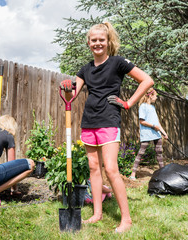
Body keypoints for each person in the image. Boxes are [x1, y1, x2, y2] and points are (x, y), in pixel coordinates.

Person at [60, 22, 154, 233]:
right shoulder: (85, 69)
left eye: (101, 39)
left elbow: (147, 80)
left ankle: (126, 220)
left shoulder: (118, 63)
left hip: (109, 119)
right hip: (89, 121)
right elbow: (72, 96)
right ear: (88, 43)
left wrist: (128, 103)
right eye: (93, 40)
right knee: (94, 168)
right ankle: (97, 213)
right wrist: (67, 88)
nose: (97, 43)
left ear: (108, 41)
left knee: (111, 169)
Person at [128, 88, 168, 180]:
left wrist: (164, 133)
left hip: (156, 134)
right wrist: (153, 126)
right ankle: (133, 174)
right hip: (147, 133)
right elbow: (142, 121)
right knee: (141, 153)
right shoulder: (143, 106)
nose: (156, 98)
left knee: (159, 153)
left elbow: (158, 123)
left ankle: (163, 173)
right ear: (150, 96)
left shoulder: (153, 107)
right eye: (155, 96)